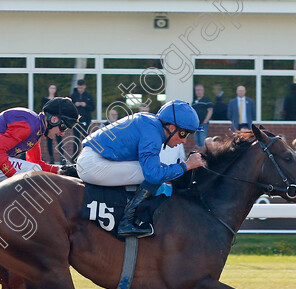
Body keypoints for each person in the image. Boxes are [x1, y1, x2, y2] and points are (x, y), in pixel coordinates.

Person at [76, 100, 206, 238]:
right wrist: (186, 166)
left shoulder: (150, 123)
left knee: (156, 170)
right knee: (155, 174)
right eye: (183, 134)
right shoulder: (153, 133)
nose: (184, 141)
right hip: (94, 164)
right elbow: (153, 175)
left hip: (92, 159)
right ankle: (127, 222)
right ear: (172, 127)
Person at [0, 97, 78, 183]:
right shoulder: (28, 125)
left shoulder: (37, 129)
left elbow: (35, 161)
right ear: (54, 119)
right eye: (63, 127)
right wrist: (14, 180)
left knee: (34, 168)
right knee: (33, 171)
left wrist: (61, 170)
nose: (62, 133)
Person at [39, 84, 60, 163]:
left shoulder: (58, 100)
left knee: (59, 139)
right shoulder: (45, 100)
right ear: (48, 89)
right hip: (48, 121)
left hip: (57, 121)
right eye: (51, 88)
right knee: (49, 140)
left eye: (54, 88)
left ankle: (61, 157)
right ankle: (51, 158)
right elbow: (44, 110)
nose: (52, 90)